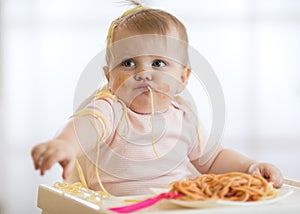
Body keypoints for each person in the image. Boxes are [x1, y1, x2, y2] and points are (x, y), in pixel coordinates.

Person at [31, 1, 283, 196]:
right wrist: (65, 144)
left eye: (158, 63)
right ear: (109, 76)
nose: (143, 73)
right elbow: (86, 126)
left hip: (177, 204)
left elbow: (214, 158)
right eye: (128, 63)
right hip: (118, 207)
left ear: (183, 77)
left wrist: (250, 167)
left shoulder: (183, 116)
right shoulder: (112, 108)